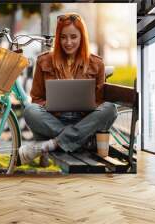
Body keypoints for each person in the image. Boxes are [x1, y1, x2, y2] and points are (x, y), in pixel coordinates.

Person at [19, 13, 118, 166]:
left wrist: (88, 107)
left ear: (82, 37)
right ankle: (78, 141)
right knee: (29, 110)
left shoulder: (96, 63)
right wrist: (51, 105)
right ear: (58, 38)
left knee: (111, 108)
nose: (68, 42)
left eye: (73, 37)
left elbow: (100, 102)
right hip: (55, 120)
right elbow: (36, 99)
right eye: (63, 37)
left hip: (84, 119)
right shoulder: (43, 61)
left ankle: (52, 144)